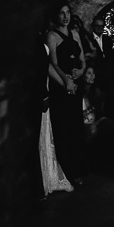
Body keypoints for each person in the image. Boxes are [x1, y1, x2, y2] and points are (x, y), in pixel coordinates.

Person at [45, 2, 87, 186]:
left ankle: (78, 169)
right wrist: (66, 80)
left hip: (76, 86)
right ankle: (67, 170)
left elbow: (83, 60)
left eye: (67, 12)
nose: (65, 16)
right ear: (56, 16)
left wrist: (80, 70)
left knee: (76, 128)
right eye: (62, 13)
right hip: (61, 88)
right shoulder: (52, 36)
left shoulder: (75, 34)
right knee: (64, 128)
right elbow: (53, 63)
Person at [38, 34, 74, 197]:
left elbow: (47, 65)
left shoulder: (42, 35)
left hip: (45, 86)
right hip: (38, 89)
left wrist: (65, 82)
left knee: (45, 135)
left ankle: (48, 175)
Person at [78, 65, 114, 168]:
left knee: (110, 126)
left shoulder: (95, 92)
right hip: (82, 124)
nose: (92, 76)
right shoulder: (78, 92)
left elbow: (99, 113)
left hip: (94, 121)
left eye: (93, 73)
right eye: (89, 73)